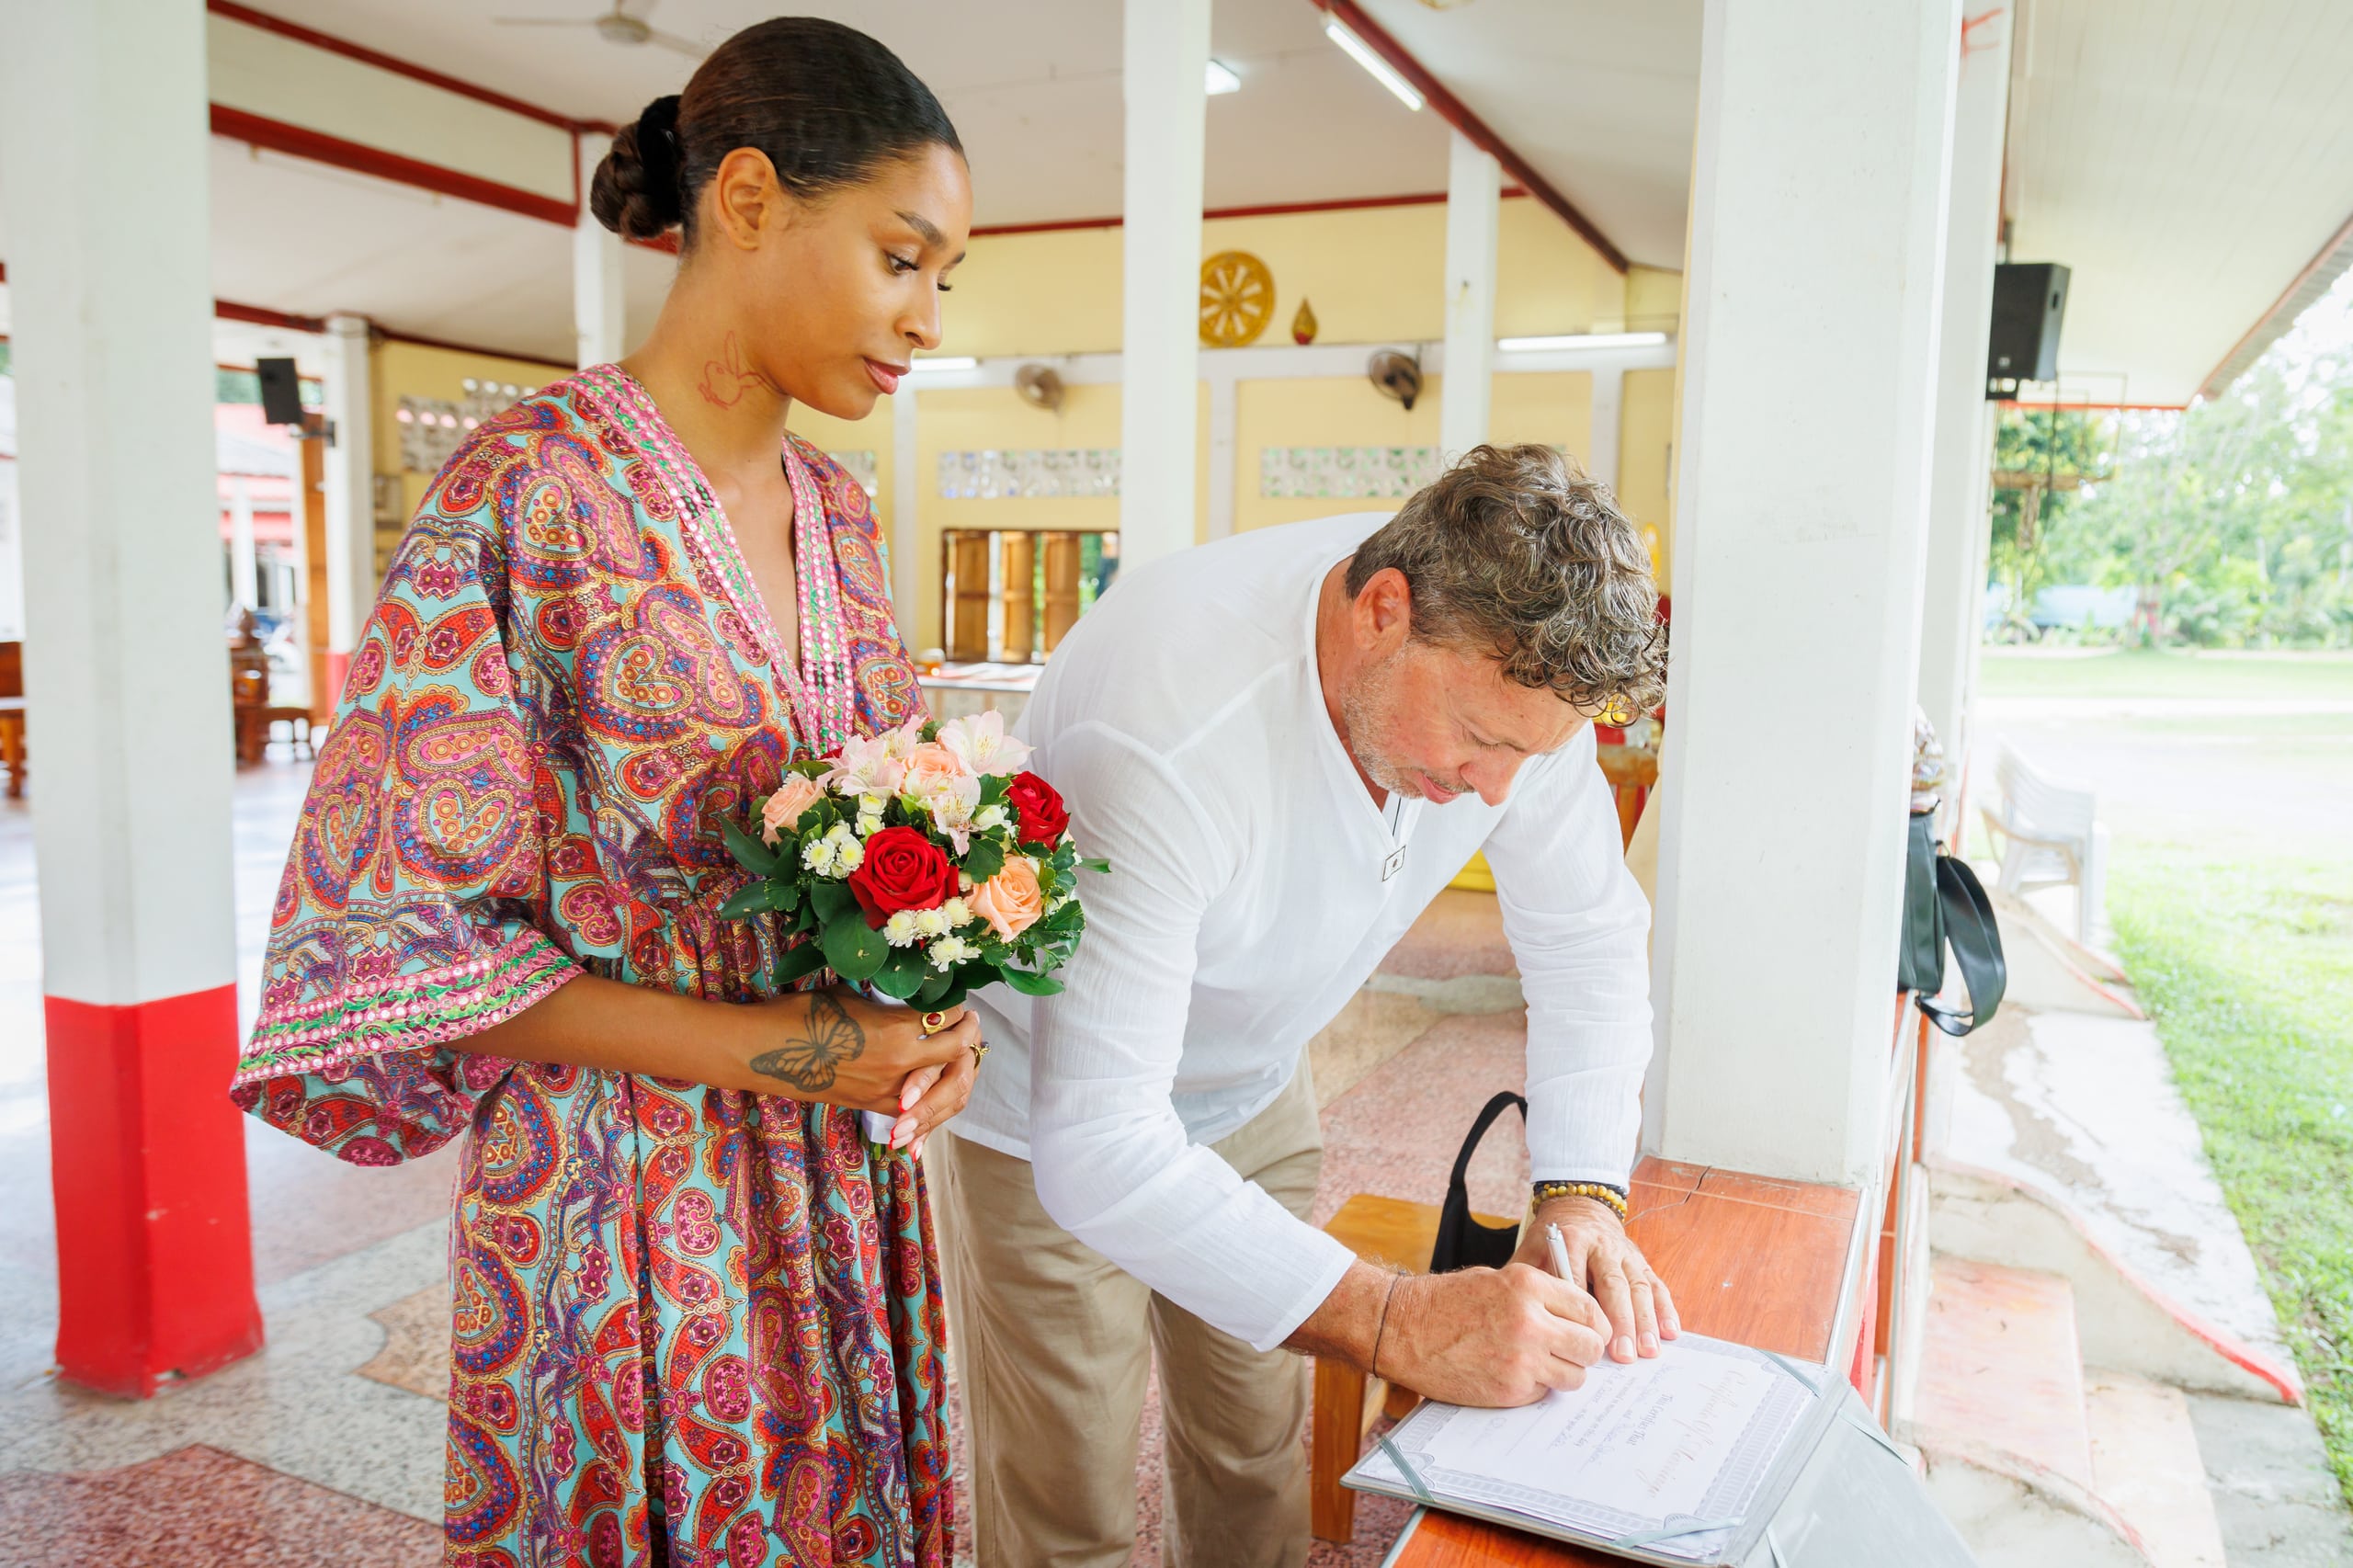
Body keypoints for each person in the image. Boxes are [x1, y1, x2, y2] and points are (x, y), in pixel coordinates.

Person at [231, 20, 982, 1565]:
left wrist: (932, 1008)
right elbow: (412, 948)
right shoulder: (524, 489)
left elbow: (884, 826)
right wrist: (797, 1053)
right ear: (751, 200)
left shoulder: (840, 513)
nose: (925, 316)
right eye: (902, 258)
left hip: (838, 1174)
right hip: (618, 1184)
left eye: (945, 280)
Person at [935, 443, 1680, 1567]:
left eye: (1524, 758)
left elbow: (1586, 939)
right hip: (1049, 1116)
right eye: (1480, 741)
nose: (1493, 791)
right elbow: (1099, 1141)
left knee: (1251, 1447)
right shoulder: (1164, 726)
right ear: (1383, 612)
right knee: (1068, 1496)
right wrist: (1391, 1318)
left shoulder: (1516, 682)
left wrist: (1580, 1192)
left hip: (1251, 1082)